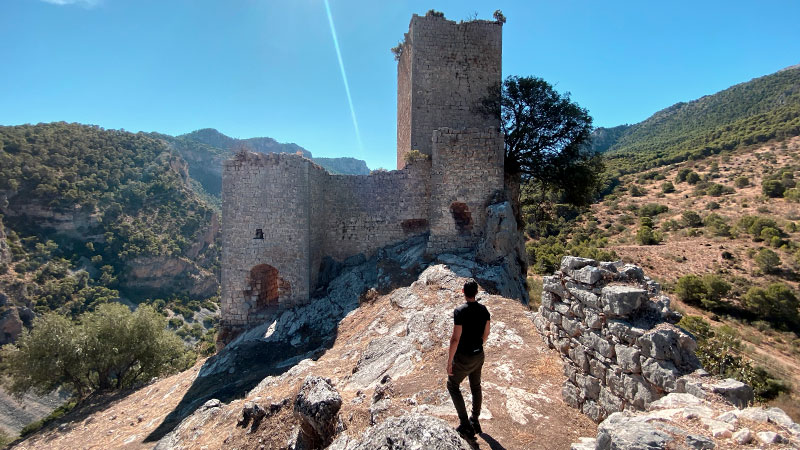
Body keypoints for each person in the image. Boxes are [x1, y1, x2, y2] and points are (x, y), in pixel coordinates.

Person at [446, 278, 491, 439]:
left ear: (463, 292)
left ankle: (465, 423)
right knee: (476, 386)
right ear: (477, 293)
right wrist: (478, 345)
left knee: (452, 385)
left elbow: (455, 339)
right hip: (479, 355)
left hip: (464, 356)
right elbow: (486, 334)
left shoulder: (460, 311)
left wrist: (450, 360)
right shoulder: (484, 310)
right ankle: (475, 419)